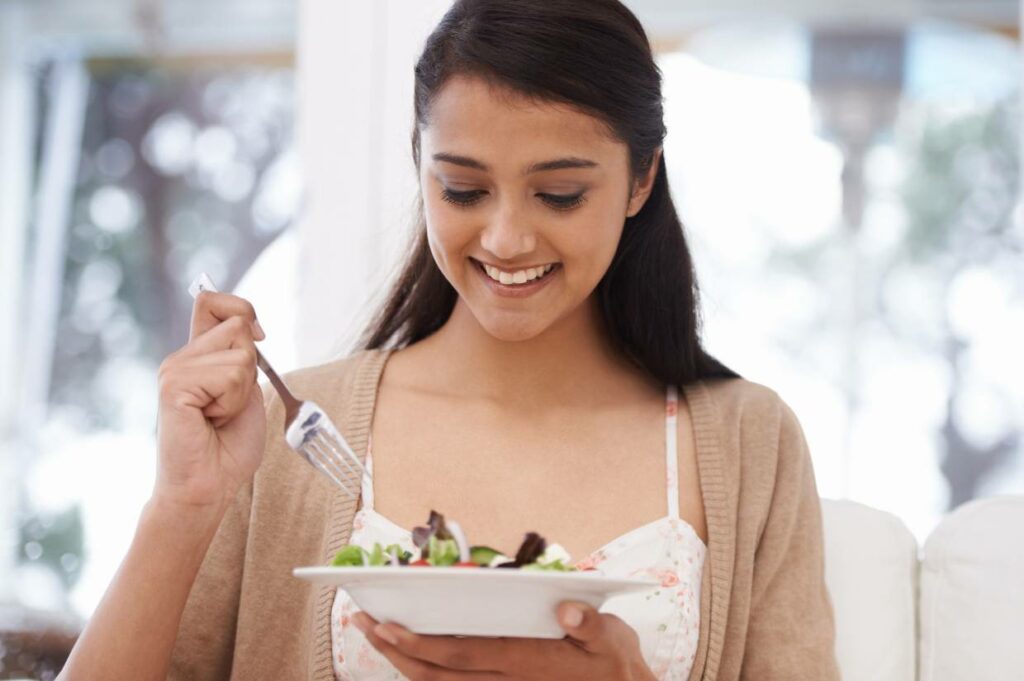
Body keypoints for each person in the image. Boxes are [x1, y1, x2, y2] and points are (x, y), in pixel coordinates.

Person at [57, 0, 840, 679]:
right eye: (462, 188)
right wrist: (181, 505)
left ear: (641, 180)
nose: (505, 237)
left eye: (559, 194)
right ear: (420, 165)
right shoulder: (290, 428)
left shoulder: (749, 443)